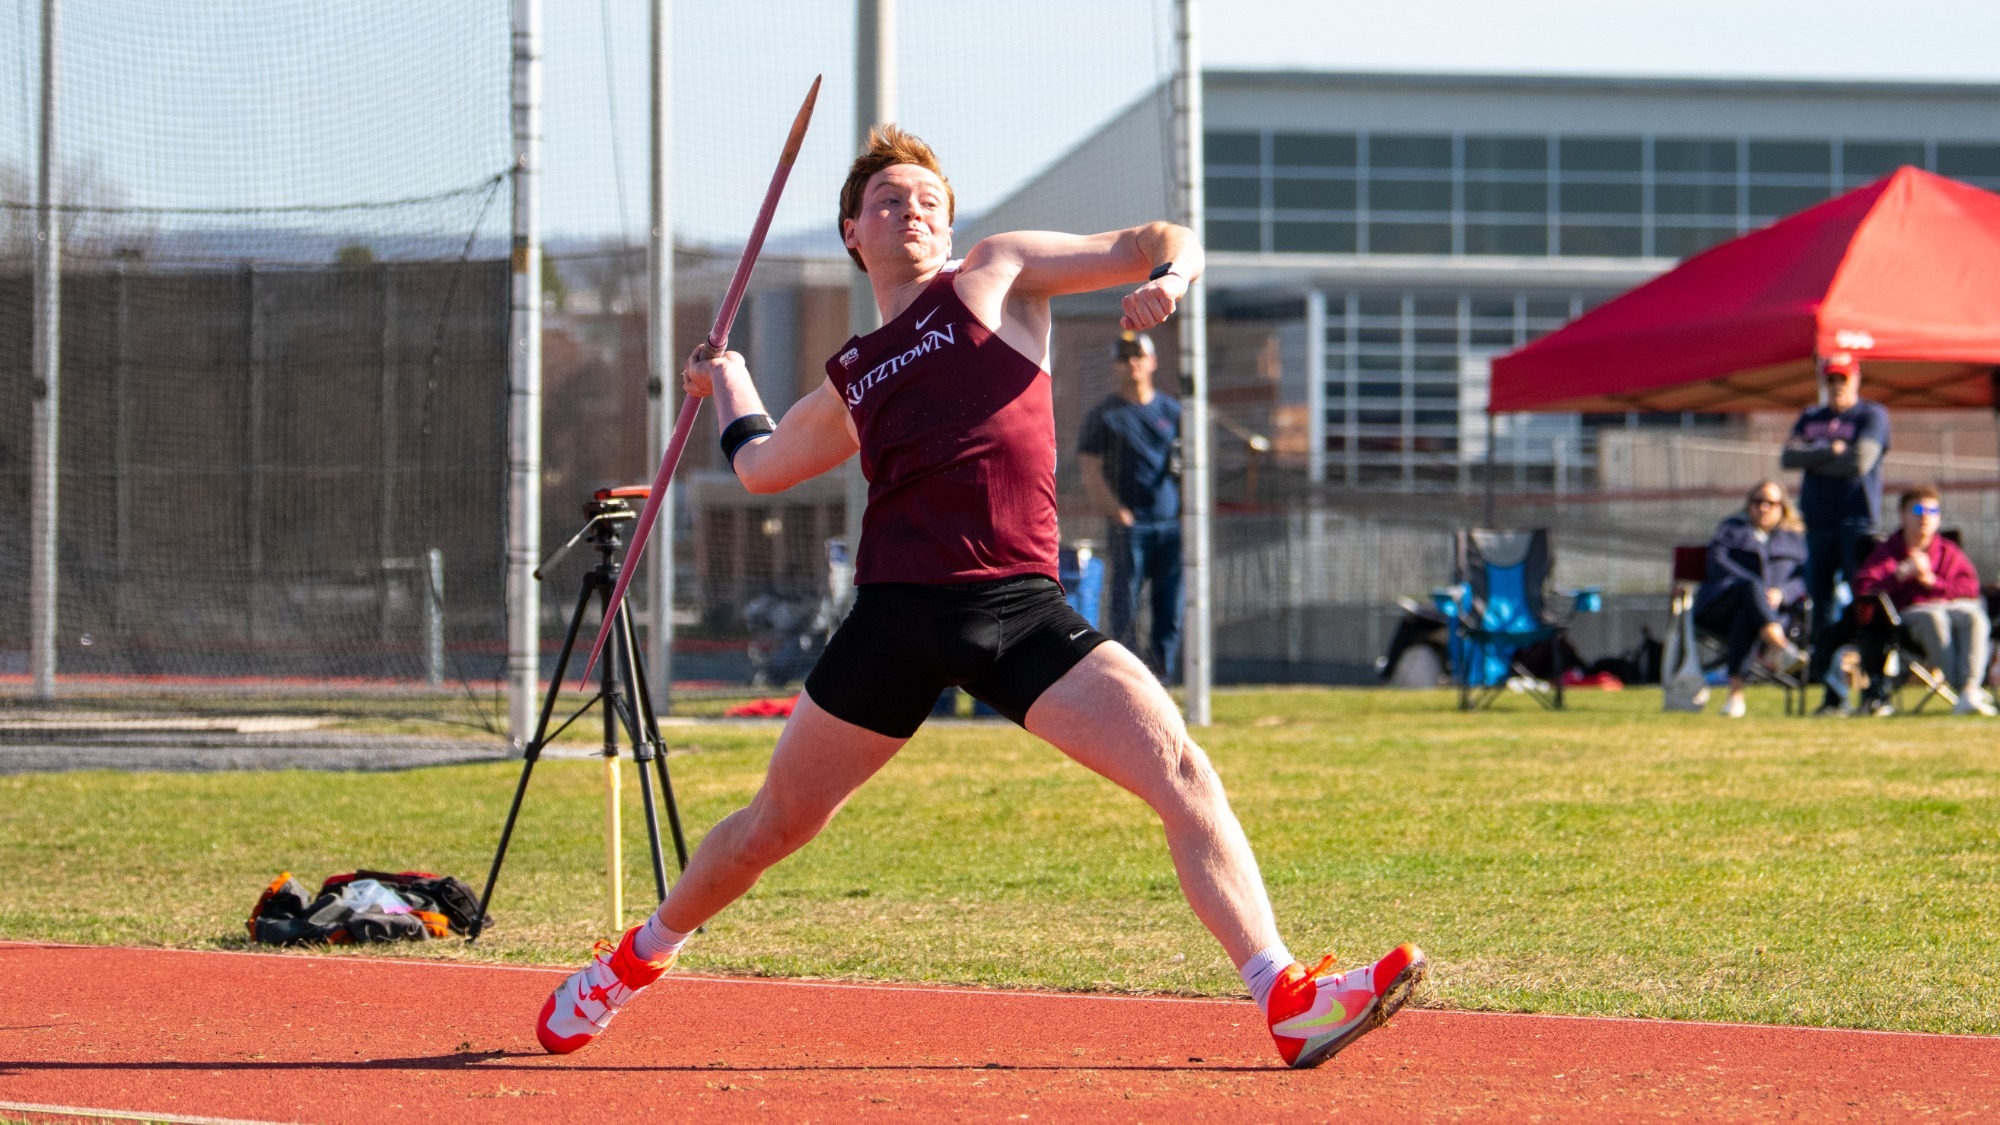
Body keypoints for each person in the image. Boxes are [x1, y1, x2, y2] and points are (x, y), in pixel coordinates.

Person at [533, 126, 1424, 1069]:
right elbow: (760, 466)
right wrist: (730, 380)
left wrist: (1174, 281)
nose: (909, 209)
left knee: (1183, 772)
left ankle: (1283, 994)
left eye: (926, 198)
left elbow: (1160, 234)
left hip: (1021, 609)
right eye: (887, 200)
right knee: (772, 828)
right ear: (851, 233)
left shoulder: (994, 275)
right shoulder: (854, 372)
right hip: (896, 620)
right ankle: (629, 964)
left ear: (950, 221)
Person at [1781, 351, 1892, 715]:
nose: (1836, 386)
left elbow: (1859, 463)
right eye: (1830, 379)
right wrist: (1831, 451)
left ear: (1856, 379)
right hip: (1818, 525)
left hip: (1858, 525)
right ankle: (1833, 695)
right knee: (1822, 609)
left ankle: (1875, 690)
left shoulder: (1871, 415)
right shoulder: (1811, 416)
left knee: (1865, 605)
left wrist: (1815, 457)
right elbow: (1788, 458)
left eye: (1842, 379)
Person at [1077, 331, 1183, 677]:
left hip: (1170, 526)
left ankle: (1163, 680)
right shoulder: (1104, 415)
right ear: (1115, 366)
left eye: (1138, 356)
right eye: (1124, 358)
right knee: (1126, 609)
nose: (1131, 363)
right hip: (1130, 527)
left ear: (1152, 362)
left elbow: (1190, 464)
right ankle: (1129, 682)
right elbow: (1089, 469)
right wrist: (1117, 513)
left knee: (1169, 610)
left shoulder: (1173, 412)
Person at [1854, 485, 1995, 716]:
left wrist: (1933, 582)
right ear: (1902, 515)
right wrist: (1900, 574)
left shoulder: (1948, 551)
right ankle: (1965, 691)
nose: (1925, 517)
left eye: (1932, 511)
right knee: (1934, 617)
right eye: (1918, 510)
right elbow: (1864, 588)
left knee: (1974, 615)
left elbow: (1970, 587)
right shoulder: (1888, 551)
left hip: (1953, 607)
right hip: (1911, 614)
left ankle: (1970, 689)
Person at [1693, 480, 1808, 718]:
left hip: (1771, 614)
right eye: (1758, 502)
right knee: (1750, 589)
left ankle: (1736, 697)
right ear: (1749, 505)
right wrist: (1753, 587)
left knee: (1746, 616)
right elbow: (1716, 562)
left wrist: (1781, 593)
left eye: (1771, 503)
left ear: (1782, 508)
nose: (1763, 507)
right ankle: (1780, 647)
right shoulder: (1732, 529)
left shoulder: (1794, 539)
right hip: (1720, 607)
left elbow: (1804, 579)